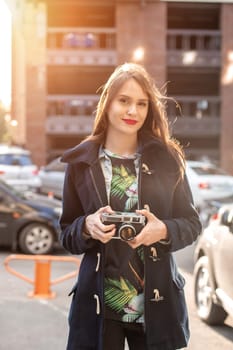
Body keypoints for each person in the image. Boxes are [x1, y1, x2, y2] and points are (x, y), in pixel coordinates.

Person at [59, 62, 202, 350]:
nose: (132, 111)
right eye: (124, 101)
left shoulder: (167, 158)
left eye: (141, 104)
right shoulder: (81, 163)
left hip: (156, 307)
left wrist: (162, 230)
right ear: (108, 103)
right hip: (99, 307)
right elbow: (66, 233)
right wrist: (86, 226)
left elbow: (191, 224)